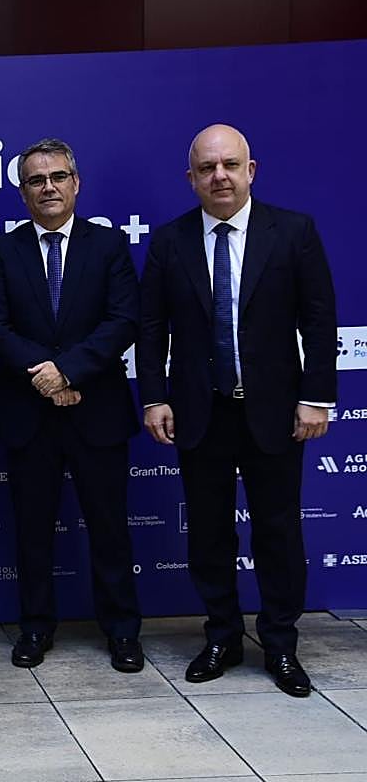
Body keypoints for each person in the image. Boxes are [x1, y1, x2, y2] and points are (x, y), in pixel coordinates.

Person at [137, 124, 337, 697]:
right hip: (201, 414)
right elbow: (151, 329)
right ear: (191, 178)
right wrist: (155, 396)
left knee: (277, 533)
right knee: (208, 535)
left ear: (251, 170)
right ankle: (221, 637)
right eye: (207, 168)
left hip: (275, 413)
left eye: (230, 165)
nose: (219, 176)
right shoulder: (170, 241)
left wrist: (316, 397)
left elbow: (320, 321)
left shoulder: (293, 232)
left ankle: (280, 644)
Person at [0, 138, 143, 672]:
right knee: (31, 531)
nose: (47, 187)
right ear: (23, 192)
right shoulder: (4, 252)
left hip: (96, 409)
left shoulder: (109, 245)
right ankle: (34, 628)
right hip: (29, 414)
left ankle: (121, 631)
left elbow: (122, 321)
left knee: (110, 529)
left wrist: (69, 372)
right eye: (35, 180)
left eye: (57, 177)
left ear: (76, 183)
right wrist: (46, 378)